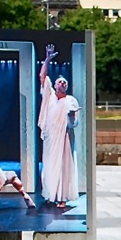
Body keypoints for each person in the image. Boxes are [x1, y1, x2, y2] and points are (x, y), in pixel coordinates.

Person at [38, 44, 81, 207]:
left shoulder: (71, 100)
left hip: (64, 139)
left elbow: (75, 122)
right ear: (55, 85)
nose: (62, 84)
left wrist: (71, 116)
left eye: (64, 82)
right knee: (49, 166)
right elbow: (43, 77)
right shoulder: (49, 96)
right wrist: (47, 59)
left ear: (67, 87)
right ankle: (51, 194)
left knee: (63, 167)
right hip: (51, 138)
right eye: (59, 82)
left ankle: (62, 197)